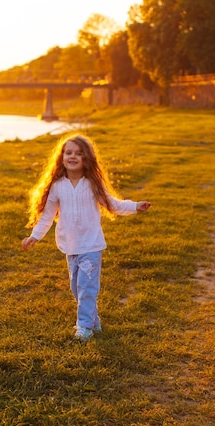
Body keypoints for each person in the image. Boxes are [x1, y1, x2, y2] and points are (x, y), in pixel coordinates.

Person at [21, 134, 151, 342]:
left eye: (79, 154)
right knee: (76, 288)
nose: (73, 156)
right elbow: (47, 216)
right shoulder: (57, 186)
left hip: (91, 245)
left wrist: (135, 206)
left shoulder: (92, 184)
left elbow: (113, 204)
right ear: (61, 157)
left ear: (87, 159)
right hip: (70, 246)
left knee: (86, 287)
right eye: (69, 152)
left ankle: (84, 327)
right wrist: (34, 236)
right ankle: (93, 320)